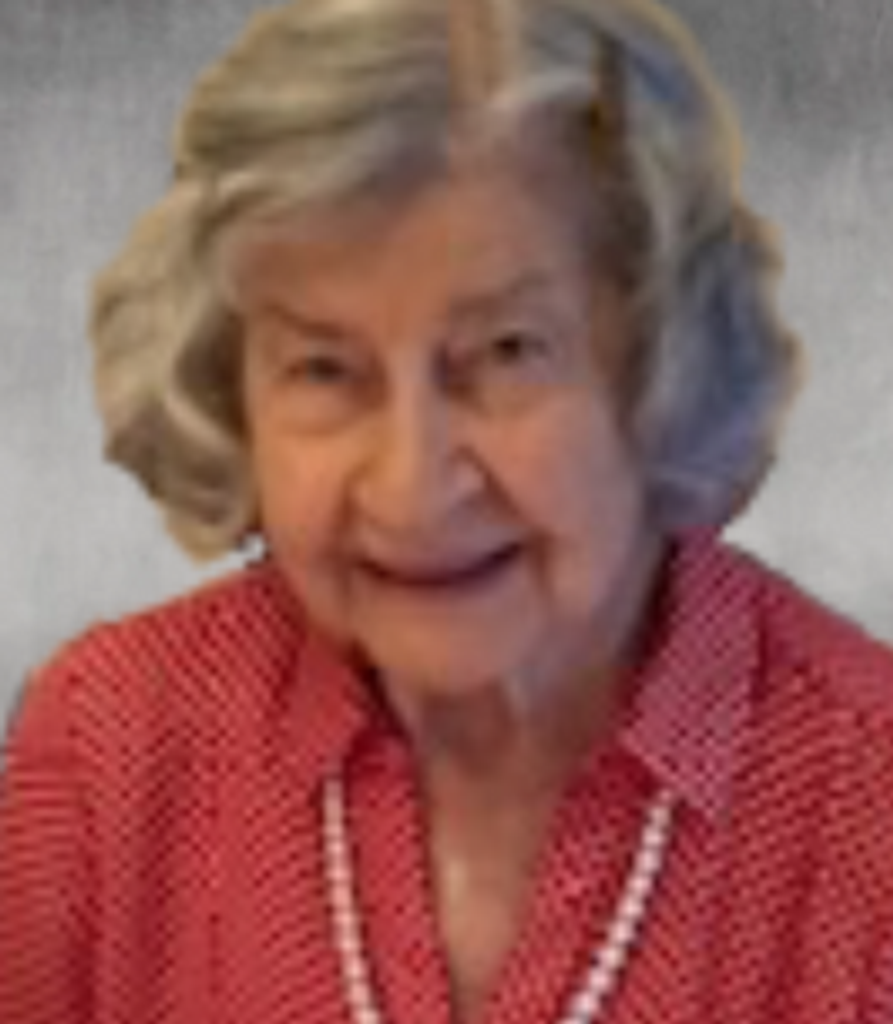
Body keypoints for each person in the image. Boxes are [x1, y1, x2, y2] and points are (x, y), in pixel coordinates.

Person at [2, 0, 893, 1020]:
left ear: (663, 363)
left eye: (506, 353)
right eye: (323, 368)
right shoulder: (111, 745)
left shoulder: (867, 800)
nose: (410, 485)